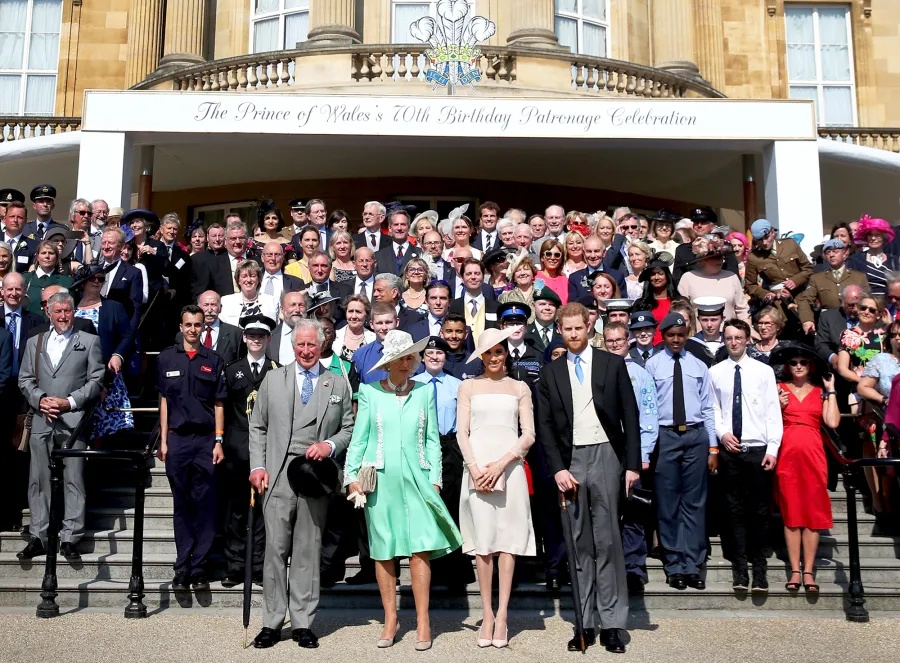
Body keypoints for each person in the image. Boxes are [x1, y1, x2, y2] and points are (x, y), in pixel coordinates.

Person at [344, 330, 463, 651]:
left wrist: (435, 479)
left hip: (419, 479)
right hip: (377, 479)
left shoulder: (425, 392)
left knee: (421, 547)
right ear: (390, 362)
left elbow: (432, 441)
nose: (409, 363)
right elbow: (359, 437)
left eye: (412, 357)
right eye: (403, 358)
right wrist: (351, 476)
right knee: (383, 551)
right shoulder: (369, 392)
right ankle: (390, 619)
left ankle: (424, 621)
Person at [536, 303, 639, 653]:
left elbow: (630, 414)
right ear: (560, 332)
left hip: (607, 454)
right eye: (567, 330)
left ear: (588, 327)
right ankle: (584, 623)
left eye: (579, 328)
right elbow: (545, 427)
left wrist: (633, 465)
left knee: (608, 540)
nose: (574, 335)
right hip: (571, 461)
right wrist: (558, 469)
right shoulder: (550, 373)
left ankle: (611, 623)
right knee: (577, 543)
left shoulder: (611, 363)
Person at [249, 318, 355, 650]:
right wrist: (257, 466)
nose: (306, 350)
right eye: (300, 344)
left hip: (316, 477)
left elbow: (350, 427)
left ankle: (303, 623)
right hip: (278, 474)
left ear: (322, 344)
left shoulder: (337, 383)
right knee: (275, 551)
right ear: (292, 345)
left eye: (312, 344)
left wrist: (330, 445)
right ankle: (270, 621)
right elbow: (258, 427)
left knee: (308, 551)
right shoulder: (273, 379)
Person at [456, 325, 536, 648]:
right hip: (476, 470)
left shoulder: (520, 388)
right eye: (488, 352)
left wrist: (502, 464)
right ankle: (486, 613)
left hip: (510, 469)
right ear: (481, 355)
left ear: (506, 352)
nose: (493, 357)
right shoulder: (468, 387)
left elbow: (528, 434)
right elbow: (462, 432)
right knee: (483, 544)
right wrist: (476, 469)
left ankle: (502, 613)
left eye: (498, 351)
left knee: (507, 541)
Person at [16, 292, 104, 560]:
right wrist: (41, 400)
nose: (64, 316)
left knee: (73, 479)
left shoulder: (89, 341)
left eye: (68, 311)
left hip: (72, 421)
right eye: (59, 312)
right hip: (43, 419)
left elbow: (96, 380)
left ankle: (71, 537)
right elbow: (25, 379)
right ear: (49, 313)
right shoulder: (35, 342)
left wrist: (68, 402)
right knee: (38, 479)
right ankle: (39, 535)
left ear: (73, 312)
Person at [645, 311, 717, 591]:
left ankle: (694, 565)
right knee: (668, 502)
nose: (676, 340)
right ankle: (674, 564)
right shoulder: (652, 365)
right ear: (663, 336)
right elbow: (649, 409)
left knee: (694, 503)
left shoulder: (699, 365)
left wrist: (712, 446)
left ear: (687, 336)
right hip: (666, 437)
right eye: (671, 335)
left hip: (695, 435)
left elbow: (708, 407)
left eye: (681, 335)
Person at [709, 318, 782, 592]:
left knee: (760, 511)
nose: (734, 342)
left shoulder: (763, 372)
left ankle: (759, 568)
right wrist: (722, 433)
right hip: (731, 449)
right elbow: (713, 409)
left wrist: (773, 448)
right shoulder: (716, 372)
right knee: (734, 510)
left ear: (747, 339)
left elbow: (772, 412)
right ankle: (739, 567)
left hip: (757, 449)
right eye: (729, 338)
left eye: (738, 337)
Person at [156, 305, 226, 589]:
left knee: (205, 505)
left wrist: (219, 439)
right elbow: (163, 401)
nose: (193, 330)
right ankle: (182, 566)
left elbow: (219, 402)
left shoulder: (214, 359)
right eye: (189, 325)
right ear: (181, 326)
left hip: (206, 441)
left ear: (203, 327)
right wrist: (163, 441)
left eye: (198, 325)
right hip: (177, 439)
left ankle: (200, 567)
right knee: (182, 505)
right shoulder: (165, 358)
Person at [772, 344, 840, 593]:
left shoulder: (821, 391)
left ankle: (809, 571)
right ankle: (795, 570)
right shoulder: (779, 390)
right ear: (787, 366)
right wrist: (777, 406)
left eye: (803, 362)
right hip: (787, 454)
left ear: (810, 365)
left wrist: (831, 390)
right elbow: (767, 423)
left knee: (812, 515)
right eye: (793, 362)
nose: (798, 365)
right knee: (791, 515)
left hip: (813, 455)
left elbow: (832, 421)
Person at [412, 336, 475, 591]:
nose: (435, 357)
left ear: (445, 357)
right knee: (427, 507)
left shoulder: (457, 385)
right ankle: (432, 568)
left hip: (450, 446)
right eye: (430, 354)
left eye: (439, 354)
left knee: (451, 506)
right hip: (422, 446)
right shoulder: (414, 384)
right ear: (422, 358)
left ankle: (455, 569)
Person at [220, 314, 278, 588]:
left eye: (261, 336)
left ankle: (258, 566)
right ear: (244, 337)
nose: (256, 340)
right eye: (251, 335)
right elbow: (223, 409)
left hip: (266, 452)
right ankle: (235, 566)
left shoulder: (278, 370)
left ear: (268, 339)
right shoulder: (232, 370)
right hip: (236, 450)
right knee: (235, 510)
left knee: (264, 513)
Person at [601, 322, 659, 593]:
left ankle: (634, 567)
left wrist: (642, 454)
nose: (614, 345)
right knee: (605, 510)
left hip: (632, 449)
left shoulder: (640, 374)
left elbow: (649, 416)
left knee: (633, 509)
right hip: (603, 449)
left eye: (619, 340)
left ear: (628, 341)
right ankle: (609, 567)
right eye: (609, 340)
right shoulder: (598, 371)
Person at [70, 265, 134, 442]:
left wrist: (118, 354)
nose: (97, 282)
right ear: (83, 282)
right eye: (93, 278)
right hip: (77, 376)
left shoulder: (113, 307)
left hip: (107, 374)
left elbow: (127, 334)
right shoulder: (71, 308)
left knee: (106, 433)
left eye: (101, 279)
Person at [798, 238, 869, 334]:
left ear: (844, 254)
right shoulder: (817, 278)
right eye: (828, 252)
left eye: (835, 251)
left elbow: (868, 301)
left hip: (855, 323)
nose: (831, 255)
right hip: (828, 325)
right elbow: (805, 300)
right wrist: (807, 320)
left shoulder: (859, 277)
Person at [744, 219, 814, 308]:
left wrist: (795, 280)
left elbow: (808, 268)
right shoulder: (753, 257)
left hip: (802, 295)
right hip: (778, 302)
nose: (764, 242)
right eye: (760, 240)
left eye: (766, 237)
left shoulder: (790, 244)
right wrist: (765, 294)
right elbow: (750, 285)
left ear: (772, 232)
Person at [673, 207, 740, 285]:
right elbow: (677, 279)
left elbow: (733, 274)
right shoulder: (682, 250)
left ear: (712, 226)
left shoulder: (724, 247)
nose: (699, 225)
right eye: (696, 222)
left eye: (704, 222)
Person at [678, 249, 749, 323]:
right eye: (714, 257)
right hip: (698, 331)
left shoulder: (731, 276)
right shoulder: (688, 278)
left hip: (728, 331)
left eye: (721, 257)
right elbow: (682, 309)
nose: (720, 260)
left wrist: (747, 329)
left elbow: (742, 309)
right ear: (703, 259)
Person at [846, 215, 899, 296]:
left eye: (877, 235)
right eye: (870, 235)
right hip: (866, 305)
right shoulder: (856, 260)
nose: (873, 238)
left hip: (890, 305)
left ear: (884, 238)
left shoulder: (894, 260)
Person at [449, 258, 498, 344]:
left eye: (477, 273)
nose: (473, 277)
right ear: (462, 278)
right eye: (468, 274)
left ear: (483, 276)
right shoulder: (453, 306)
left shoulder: (496, 307)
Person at [219, 260, 278, 327]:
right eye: (244, 276)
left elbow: (276, 329)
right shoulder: (226, 301)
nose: (249, 280)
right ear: (238, 280)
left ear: (258, 279)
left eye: (252, 276)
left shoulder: (271, 301)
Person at [352, 301, 399, 383]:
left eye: (388, 322)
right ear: (371, 324)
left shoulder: (410, 352)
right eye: (379, 323)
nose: (384, 327)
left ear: (397, 322)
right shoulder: (360, 355)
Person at [634, 255, 677, 344]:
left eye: (660, 273)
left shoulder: (678, 301)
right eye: (653, 274)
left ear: (667, 276)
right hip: (649, 349)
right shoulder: (640, 303)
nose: (656, 277)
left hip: (673, 347)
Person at [22, 241, 73, 314]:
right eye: (43, 253)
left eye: (51, 253)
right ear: (37, 257)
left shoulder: (67, 282)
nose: (47, 256)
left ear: (57, 257)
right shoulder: (25, 279)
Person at [375, 209, 423, 276]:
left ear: (409, 227)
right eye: (396, 224)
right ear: (390, 228)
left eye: (403, 224)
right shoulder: (378, 256)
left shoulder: (420, 254)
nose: (399, 228)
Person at [441, 314, 483, 380]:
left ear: (466, 334)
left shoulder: (476, 363)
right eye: (449, 331)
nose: (454, 336)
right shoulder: (435, 361)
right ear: (441, 333)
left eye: (458, 331)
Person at [536, 238, 569, 305]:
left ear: (561, 259)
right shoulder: (536, 277)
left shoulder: (565, 281)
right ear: (542, 257)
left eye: (557, 255)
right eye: (548, 254)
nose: (553, 258)